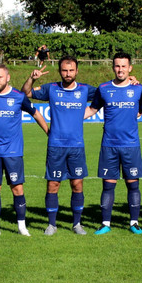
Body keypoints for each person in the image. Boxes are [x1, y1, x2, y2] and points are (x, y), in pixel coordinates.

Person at [22, 56, 97, 235]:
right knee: (53, 185)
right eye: (64, 70)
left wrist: (131, 82)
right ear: (60, 71)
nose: (68, 74)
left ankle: (77, 224)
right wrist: (32, 78)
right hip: (56, 146)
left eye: (71, 70)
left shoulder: (86, 90)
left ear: (77, 71)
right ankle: (52, 224)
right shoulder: (51, 89)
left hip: (77, 146)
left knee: (77, 184)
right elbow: (25, 93)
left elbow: (109, 92)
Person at [0, 63, 49, 237]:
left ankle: (22, 226)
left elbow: (36, 113)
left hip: (13, 152)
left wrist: (48, 132)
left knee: (17, 188)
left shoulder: (18, 96)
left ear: (8, 77)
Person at [85, 53, 142, 235]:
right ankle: (105, 223)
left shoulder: (138, 89)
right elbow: (91, 109)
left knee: (133, 184)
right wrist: (68, 118)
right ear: (113, 68)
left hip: (131, 145)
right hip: (109, 146)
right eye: (117, 66)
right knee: (108, 185)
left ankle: (134, 222)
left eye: (123, 66)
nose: (120, 69)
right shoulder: (104, 88)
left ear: (130, 68)